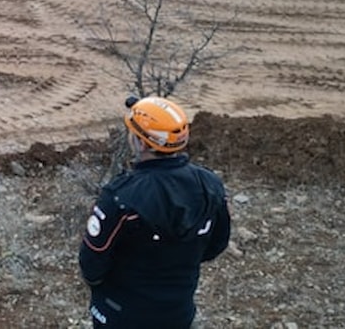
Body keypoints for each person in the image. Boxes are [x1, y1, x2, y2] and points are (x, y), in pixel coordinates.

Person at [78, 96, 231, 328]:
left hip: (121, 315)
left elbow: (92, 263)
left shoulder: (121, 197)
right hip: (177, 313)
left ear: (142, 144)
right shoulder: (210, 185)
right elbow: (216, 244)